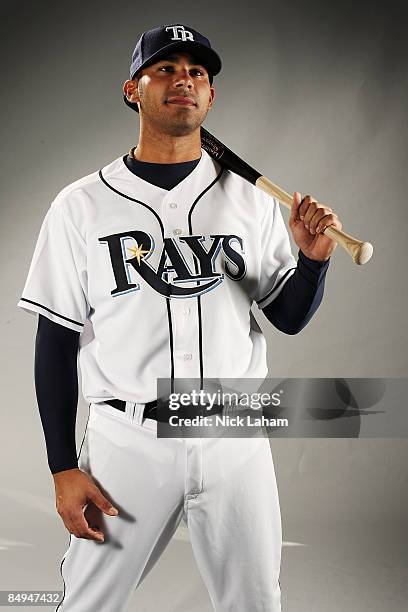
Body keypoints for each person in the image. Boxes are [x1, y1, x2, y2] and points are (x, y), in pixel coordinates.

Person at [17, 23, 342, 612]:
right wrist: (62, 466)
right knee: (88, 603)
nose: (183, 81)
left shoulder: (250, 201)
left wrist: (312, 260)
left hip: (232, 434)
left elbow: (288, 318)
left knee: (255, 602)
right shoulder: (80, 206)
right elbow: (54, 342)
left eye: (196, 72)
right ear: (131, 89)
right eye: (164, 69)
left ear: (210, 96)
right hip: (127, 438)